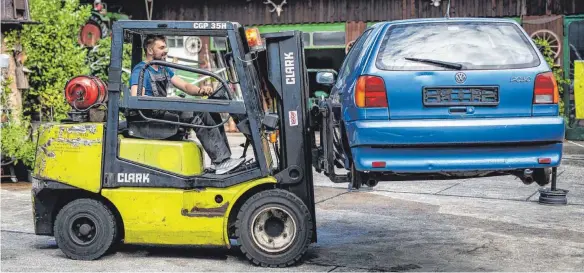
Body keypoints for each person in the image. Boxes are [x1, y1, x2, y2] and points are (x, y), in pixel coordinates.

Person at [129, 34, 244, 175]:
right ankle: (221, 161)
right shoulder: (141, 70)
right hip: (150, 117)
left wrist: (200, 90)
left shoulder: (164, 69)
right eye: (161, 47)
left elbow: (184, 85)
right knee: (196, 113)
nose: (166, 50)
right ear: (150, 50)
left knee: (209, 109)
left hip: (162, 111)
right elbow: (136, 96)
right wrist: (167, 101)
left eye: (166, 47)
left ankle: (222, 160)